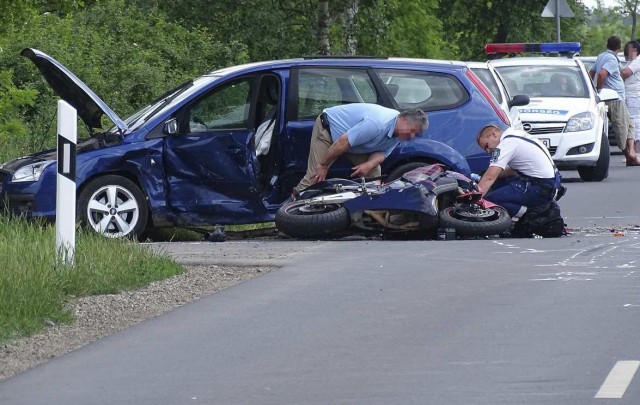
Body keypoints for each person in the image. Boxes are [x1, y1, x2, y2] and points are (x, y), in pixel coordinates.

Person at [294, 103, 428, 193]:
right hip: (329, 131)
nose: (412, 136)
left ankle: (368, 211)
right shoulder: (376, 124)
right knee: (316, 176)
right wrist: (323, 165)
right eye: (412, 131)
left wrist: (368, 165)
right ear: (403, 120)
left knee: (374, 173)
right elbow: (342, 142)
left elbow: (382, 153)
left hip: (353, 142)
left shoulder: (399, 133)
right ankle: (288, 212)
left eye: (415, 134)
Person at [475, 124, 562, 220]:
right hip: (551, 184)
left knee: (488, 201)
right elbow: (514, 171)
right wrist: (483, 175)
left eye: (486, 146)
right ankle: (530, 211)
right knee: (499, 183)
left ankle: (529, 217)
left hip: (539, 187)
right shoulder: (517, 134)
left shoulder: (506, 144)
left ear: (493, 134)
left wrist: (473, 200)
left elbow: (489, 177)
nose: (488, 151)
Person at [589, 35, 638, 166]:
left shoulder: (601, 56)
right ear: (620, 46)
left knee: (630, 123)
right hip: (613, 97)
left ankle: (631, 153)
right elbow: (602, 74)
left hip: (616, 98)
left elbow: (591, 73)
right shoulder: (611, 59)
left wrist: (591, 89)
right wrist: (600, 90)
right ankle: (629, 156)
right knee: (621, 126)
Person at [621, 39, 640, 161]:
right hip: (629, 96)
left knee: (635, 123)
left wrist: (615, 74)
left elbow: (625, 73)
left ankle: (637, 152)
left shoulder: (637, 61)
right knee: (630, 123)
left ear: (635, 50)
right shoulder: (631, 61)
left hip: (634, 96)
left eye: (629, 48)